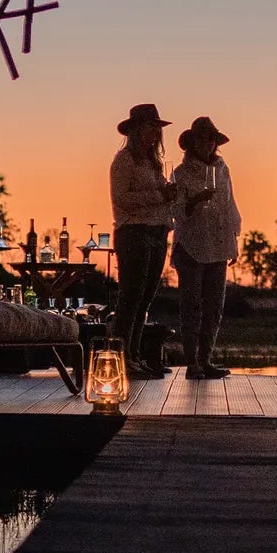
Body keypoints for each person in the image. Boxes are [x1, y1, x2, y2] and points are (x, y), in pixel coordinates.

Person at [109, 104, 177, 379]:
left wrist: (169, 196)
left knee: (144, 300)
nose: (155, 132)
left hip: (157, 233)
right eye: (151, 126)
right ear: (137, 130)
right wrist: (160, 196)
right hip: (134, 233)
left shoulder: (152, 162)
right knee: (131, 298)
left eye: (157, 127)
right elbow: (121, 199)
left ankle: (134, 355)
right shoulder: (124, 161)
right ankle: (122, 358)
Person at [170, 117, 240, 380]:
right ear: (192, 143)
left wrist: (233, 239)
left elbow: (230, 204)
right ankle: (192, 363)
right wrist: (195, 201)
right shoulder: (181, 172)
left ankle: (206, 358)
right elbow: (177, 211)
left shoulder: (222, 169)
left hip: (218, 243)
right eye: (202, 139)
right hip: (191, 244)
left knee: (215, 305)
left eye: (211, 139)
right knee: (191, 305)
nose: (207, 144)